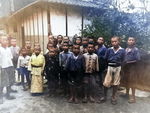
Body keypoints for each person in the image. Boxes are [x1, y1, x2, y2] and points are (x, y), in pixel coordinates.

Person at [98, 36, 126, 105]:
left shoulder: (122, 50)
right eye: (112, 42)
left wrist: (122, 70)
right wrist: (105, 68)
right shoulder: (109, 50)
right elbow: (105, 59)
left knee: (115, 83)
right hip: (110, 67)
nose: (114, 43)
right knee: (106, 83)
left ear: (118, 42)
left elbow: (123, 61)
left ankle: (113, 97)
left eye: (115, 41)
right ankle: (104, 96)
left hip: (118, 67)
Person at [120, 37, 140, 103]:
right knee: (126, 81)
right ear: (127, 41)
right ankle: (127, 94)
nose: (131, 41)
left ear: (134, 41)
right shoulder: (126, 49)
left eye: (132, 40)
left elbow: (137, 60)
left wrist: (128, 62)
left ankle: (133, 98)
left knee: (132, 82)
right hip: (126, 69)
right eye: (129, 40)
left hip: (132, 69)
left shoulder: (136, 50)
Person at [0, 36, 16, 104]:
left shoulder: (9, 49)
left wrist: (12, 67)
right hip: (3, 67)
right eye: (4, 40)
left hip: (10, 66)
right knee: (2, 82)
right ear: (0, 41)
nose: (5, 41)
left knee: (9, 81)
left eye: (6, 40)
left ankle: (8, 95)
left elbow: (11, 58)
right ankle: (0, 97)